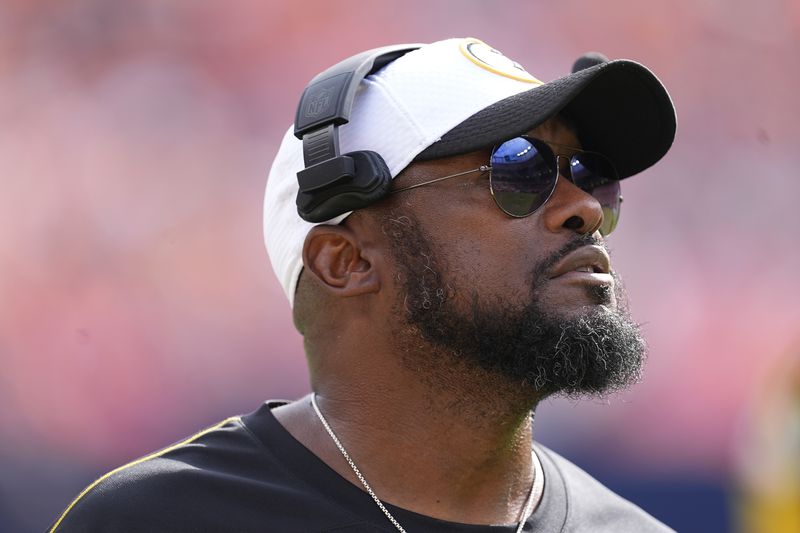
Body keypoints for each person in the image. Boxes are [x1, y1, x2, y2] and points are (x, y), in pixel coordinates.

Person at [50, 37, 677, 532]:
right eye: (519, 168)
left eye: (589, 175)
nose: (585, 209)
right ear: (344, 261)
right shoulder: (153, 521)